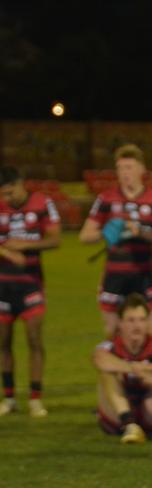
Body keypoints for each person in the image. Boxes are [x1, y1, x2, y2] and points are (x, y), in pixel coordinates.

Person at [79, 143, 152, 337]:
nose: (124, 173)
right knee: (112, 331)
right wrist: (105, 233)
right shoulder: (105, 198)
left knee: (150, 330)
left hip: (145, 273)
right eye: (120, 168)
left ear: (142, 169)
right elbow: (85, 236)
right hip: (114, 275)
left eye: (129, 167)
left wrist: (141, 232)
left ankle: (148, 367)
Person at [0, 166, 61, 418]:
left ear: (21, 183)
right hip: (2, 285)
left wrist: (24, 245)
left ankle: (36, 398)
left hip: (32, 284)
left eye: (10, 191)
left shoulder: (42, 203)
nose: (7, 198)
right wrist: (6, 252)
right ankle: (9, 397)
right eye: (2, 193)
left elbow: (55, 240)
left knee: (34, 340)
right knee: (3, 342)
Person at [93, 293, 152, 444]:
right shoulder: (110, 346)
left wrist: (150, 368)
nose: (137, 326)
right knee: (107, 373)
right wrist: (136, 370)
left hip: (149, 411)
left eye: (142, 320)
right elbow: (100, 360)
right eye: (131, 320)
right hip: (116, 416)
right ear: (120, 323)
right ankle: (129, 425)